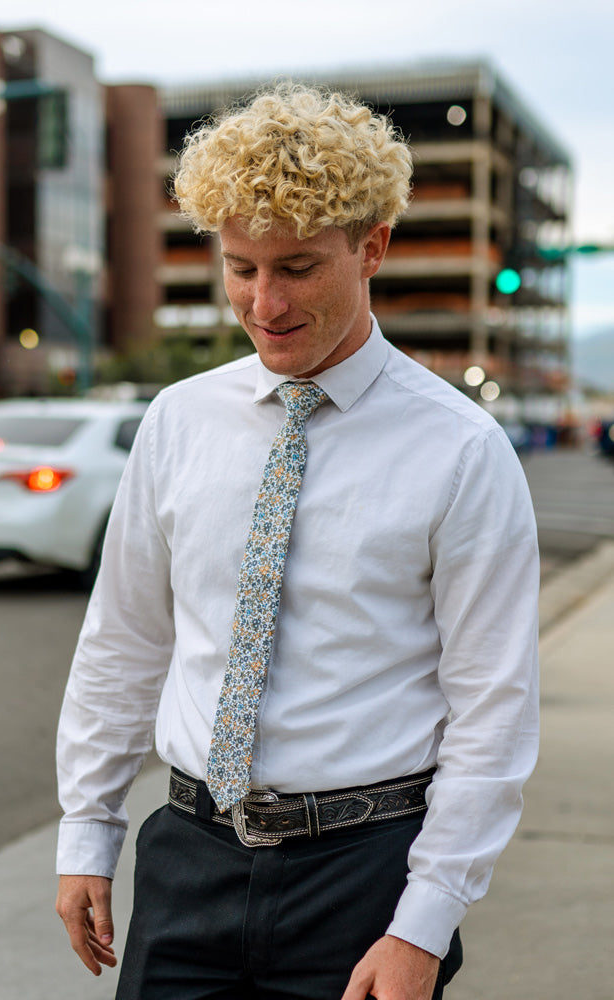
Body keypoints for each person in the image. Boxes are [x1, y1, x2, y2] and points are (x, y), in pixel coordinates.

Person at [55, 83, 539, 1000]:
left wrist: (423, 924)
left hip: (364, 882)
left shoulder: (461, 450)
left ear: (373, 249)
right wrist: (88, 830)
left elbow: (492, 713)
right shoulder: (178, 421)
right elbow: (123, 640)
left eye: (298, 268)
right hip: (187, 858)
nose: (263, 301)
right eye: (240, 267)